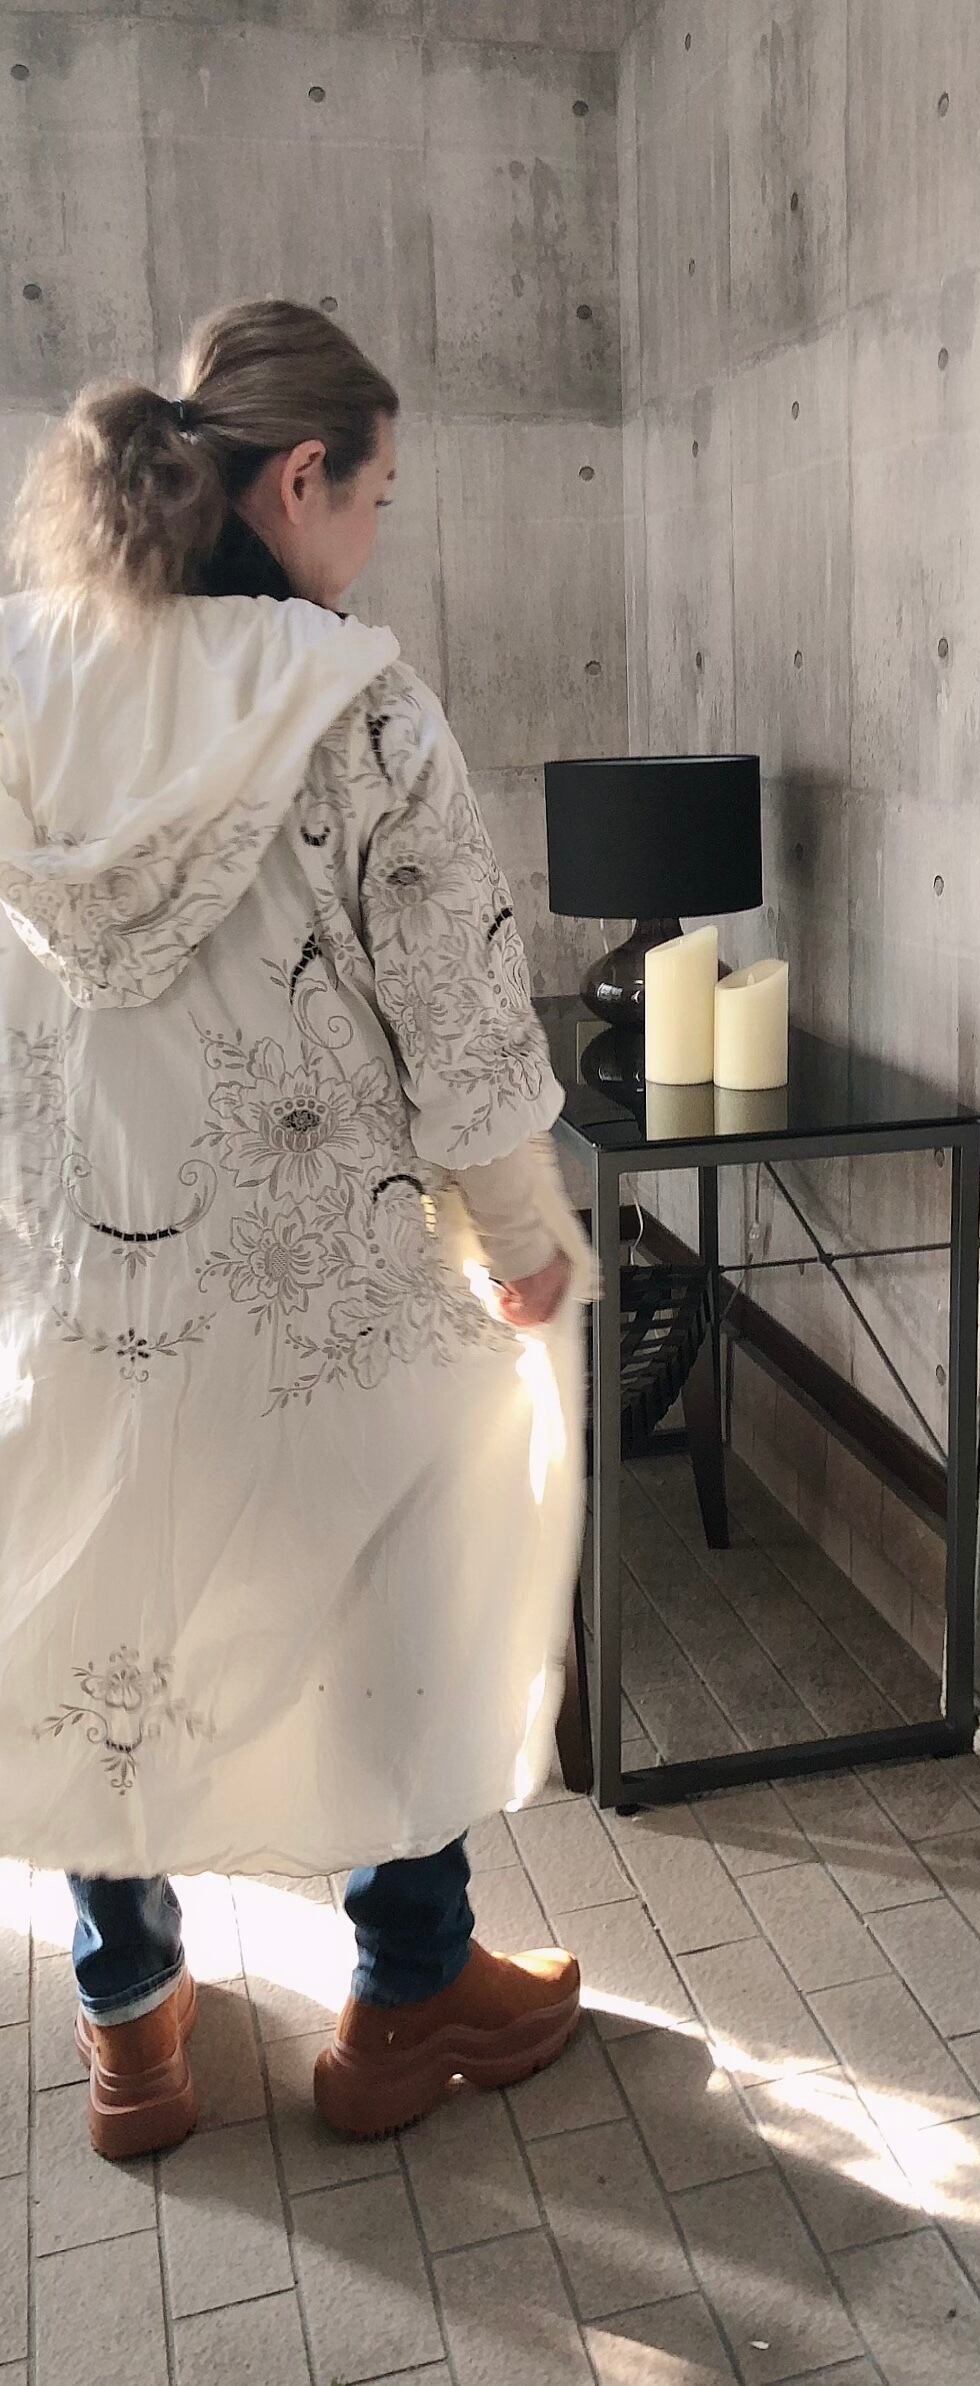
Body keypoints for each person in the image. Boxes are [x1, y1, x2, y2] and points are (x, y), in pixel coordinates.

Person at [0, 300, 591, 2160]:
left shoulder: (21, 674)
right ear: (303, 476)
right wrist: (526, 1232)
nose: (375, 538)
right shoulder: (357, 702)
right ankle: (406, 1992)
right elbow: (460, 1018)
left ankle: (133, 2026)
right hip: (325, 1283)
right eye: (379, 496)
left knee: (98, 1594)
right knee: (403, 1558)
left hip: (83, 1268)